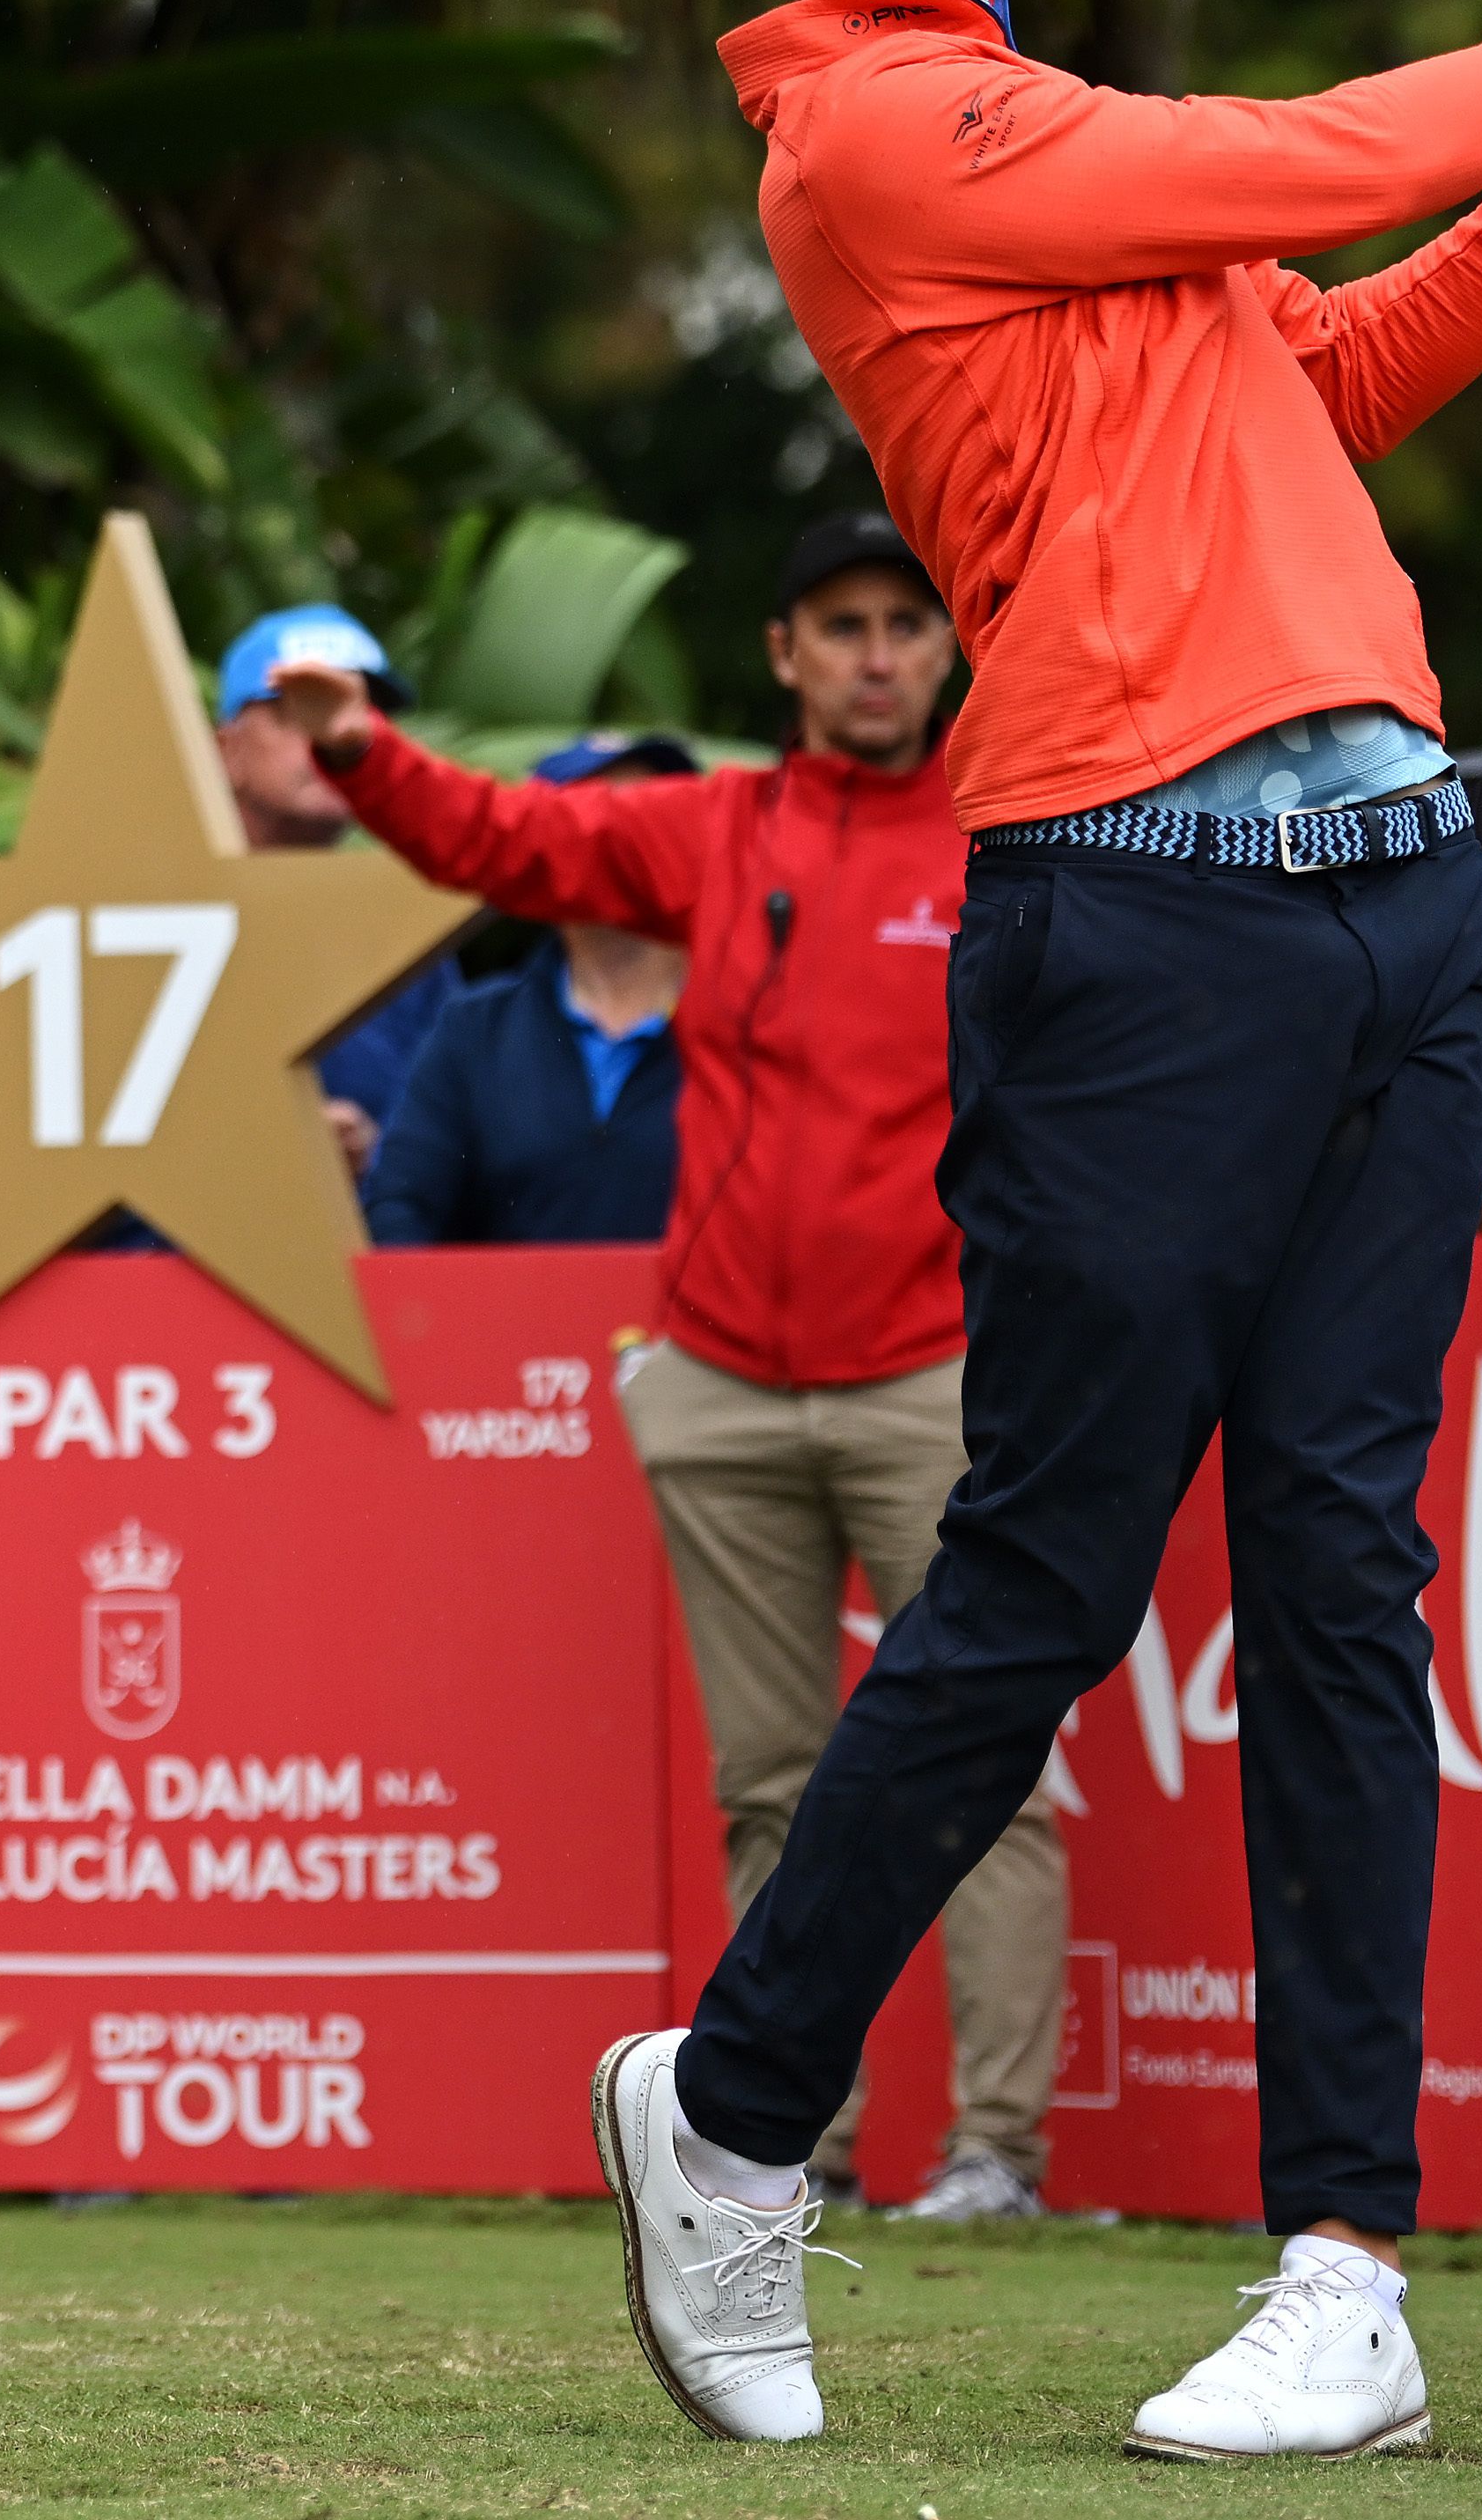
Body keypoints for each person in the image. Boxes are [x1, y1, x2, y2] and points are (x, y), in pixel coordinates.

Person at [527, 0, 1482, 2457]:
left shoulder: (1083, 200)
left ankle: (1345, 2271)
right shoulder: (878, 129)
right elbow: (1290, 158)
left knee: (1338, 1573)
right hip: (1139, 920)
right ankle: (737, 2100)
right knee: (1049, 1570)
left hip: (1404, 898)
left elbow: (1335, 356)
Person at [274, 512, 1064, 2227]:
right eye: (840, 625)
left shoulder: (1012, 846)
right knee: (775, 1781)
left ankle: (999, 2151)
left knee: (990, 1765)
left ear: (946, 655)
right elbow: (506, 835)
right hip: (716, 1383)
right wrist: (362, 750)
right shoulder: (718, 830)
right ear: (784, 658)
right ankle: (802, 2146)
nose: (874, 656)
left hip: (931, 1374)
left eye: (902, 629)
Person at [363, 733, 689, 1246]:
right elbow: (400, 1208)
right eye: (588, 819)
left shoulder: (751, 1021)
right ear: (536, 852)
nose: (621, 838)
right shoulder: (475, 1029)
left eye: (650, 814)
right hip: (502, 1325)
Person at [212, 605, 461, 1173]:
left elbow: (453, 1146)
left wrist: (377, 1155)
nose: (331, 737)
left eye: (356, 713)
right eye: (298, 712)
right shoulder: (142, 922)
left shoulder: (412, 931)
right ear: (224, 751)